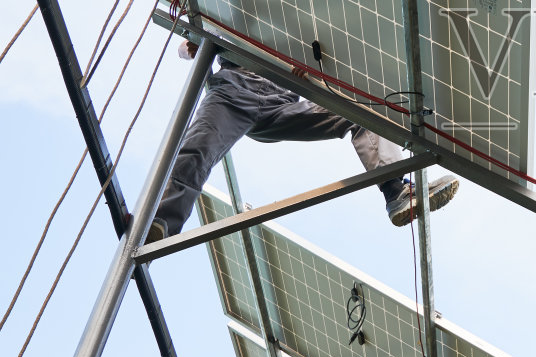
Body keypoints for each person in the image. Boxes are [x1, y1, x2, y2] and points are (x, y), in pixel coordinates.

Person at [148, 44, 458, 241]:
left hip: (282, 103)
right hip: (233, 93)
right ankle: (159, 222)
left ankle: (396, 192)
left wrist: (310, 76)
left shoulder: (305, 9)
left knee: (362, 110)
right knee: (198, 149)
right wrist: (192, 46)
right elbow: (187, 45)